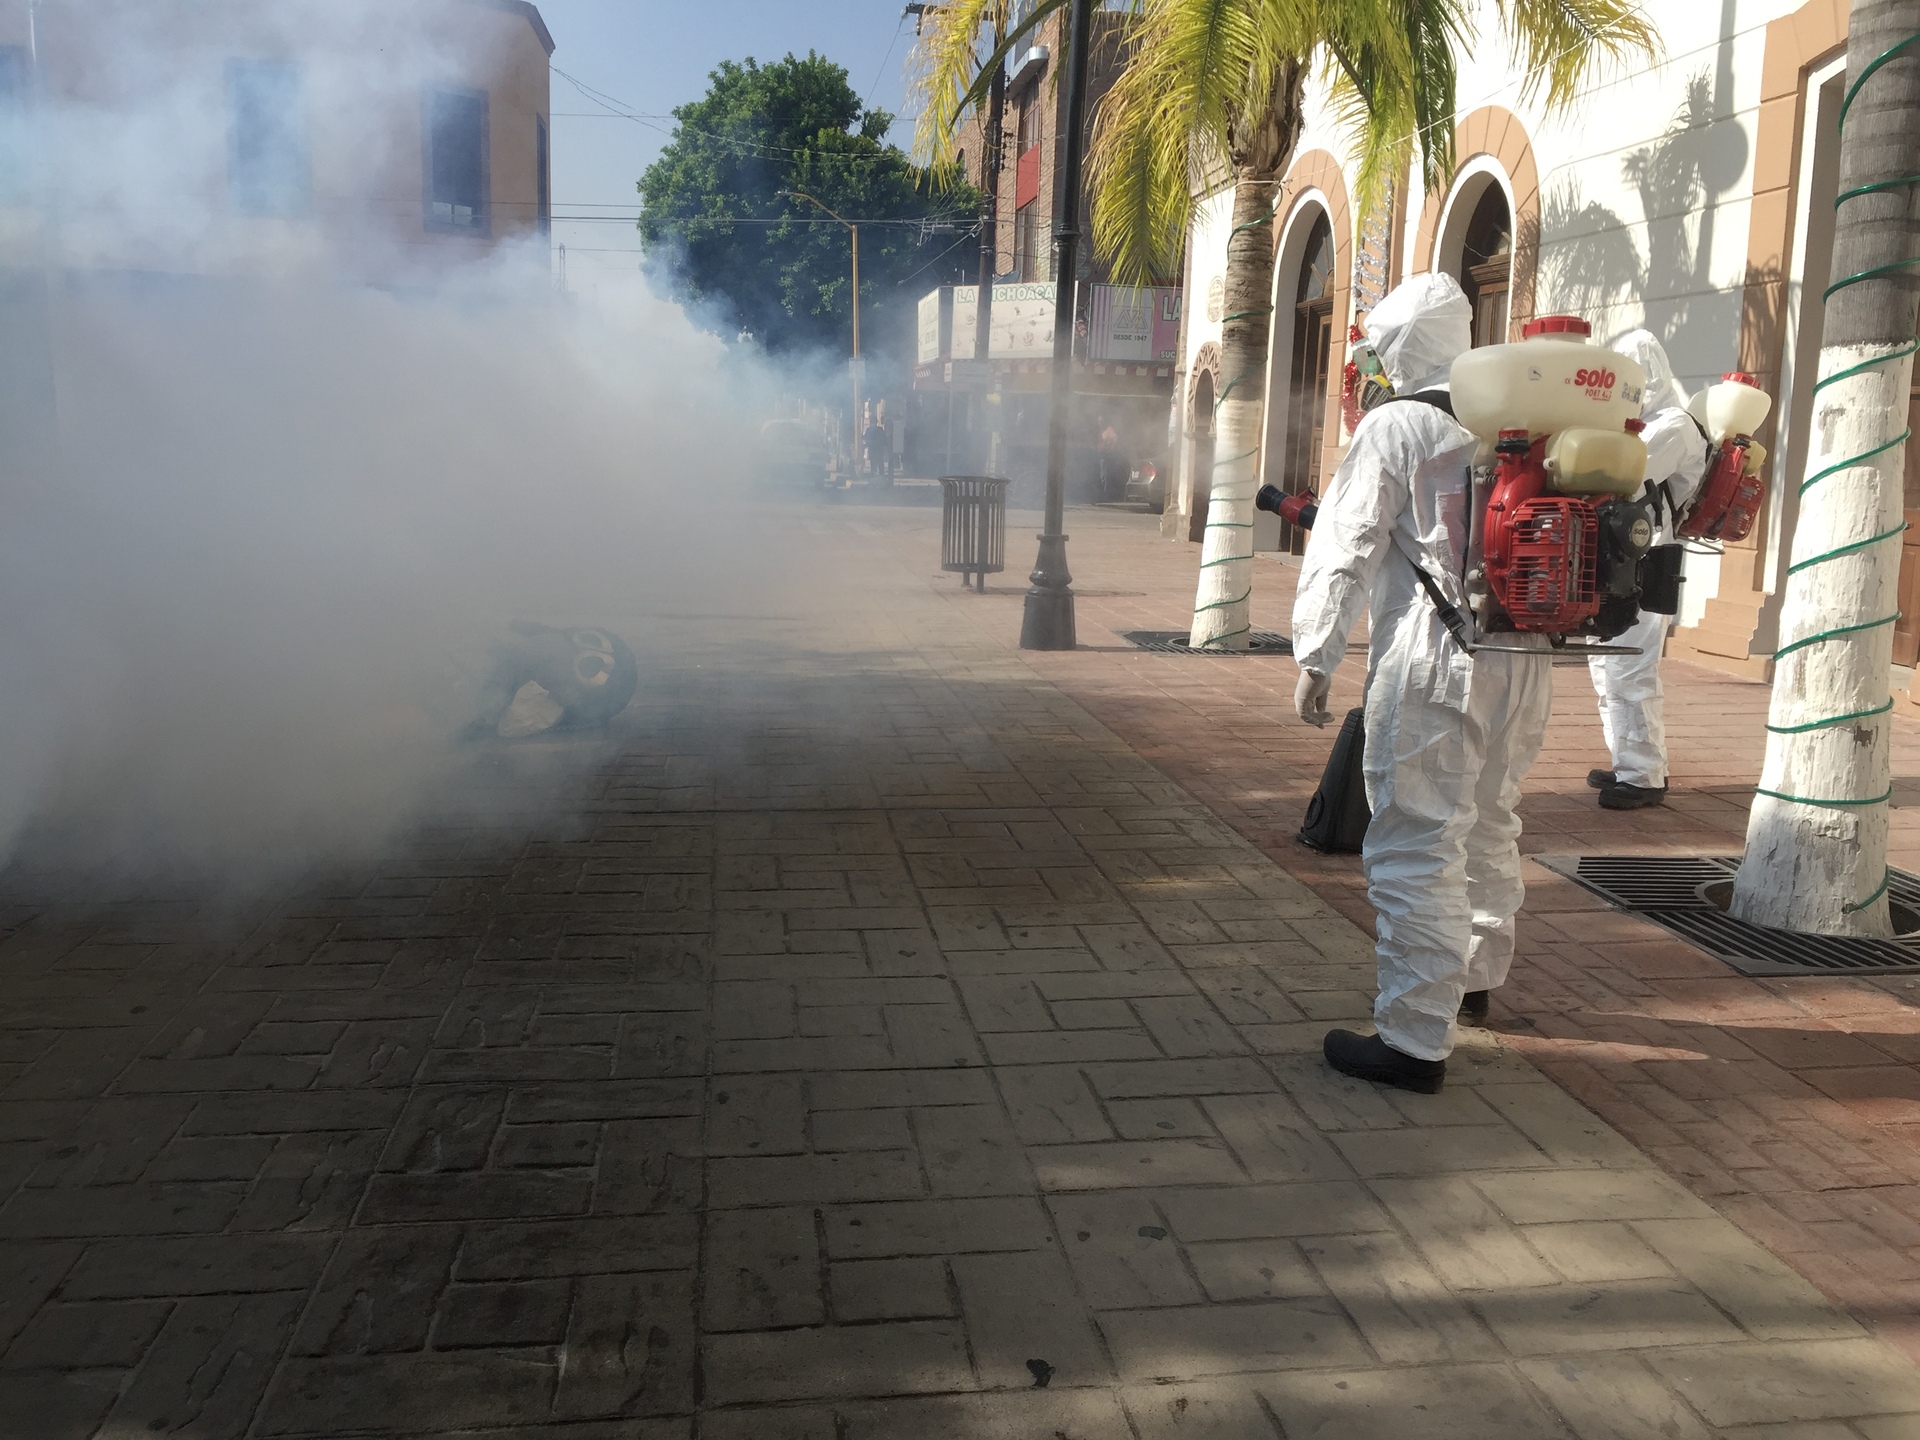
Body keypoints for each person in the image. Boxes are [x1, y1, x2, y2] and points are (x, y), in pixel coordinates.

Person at [1289, 273, 1553, 1093]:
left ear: (1399, 348)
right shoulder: (1519, 422)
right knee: (1488, 820)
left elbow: (1346, 545)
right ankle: (1472, 983)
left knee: (1417, 838)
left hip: (1438, 658)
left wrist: (1314, 653)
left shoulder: (1397, 424)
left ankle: (1411, 1039)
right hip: (1525, 656)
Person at [1587, 330, 1710, 811]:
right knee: (1607, 661)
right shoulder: (1645, 427)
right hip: (1624, 559)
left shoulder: (1672, 427)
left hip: (1649, 560)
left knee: (1631, 664)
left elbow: (1625, 475)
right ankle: (1627, 759)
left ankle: (1644, 776)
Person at [462, 622, 638, 741]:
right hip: (618, 676)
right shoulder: (553, 642)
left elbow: (568, 696)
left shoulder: (523, 658)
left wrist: (484, 723)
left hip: (608, 695)